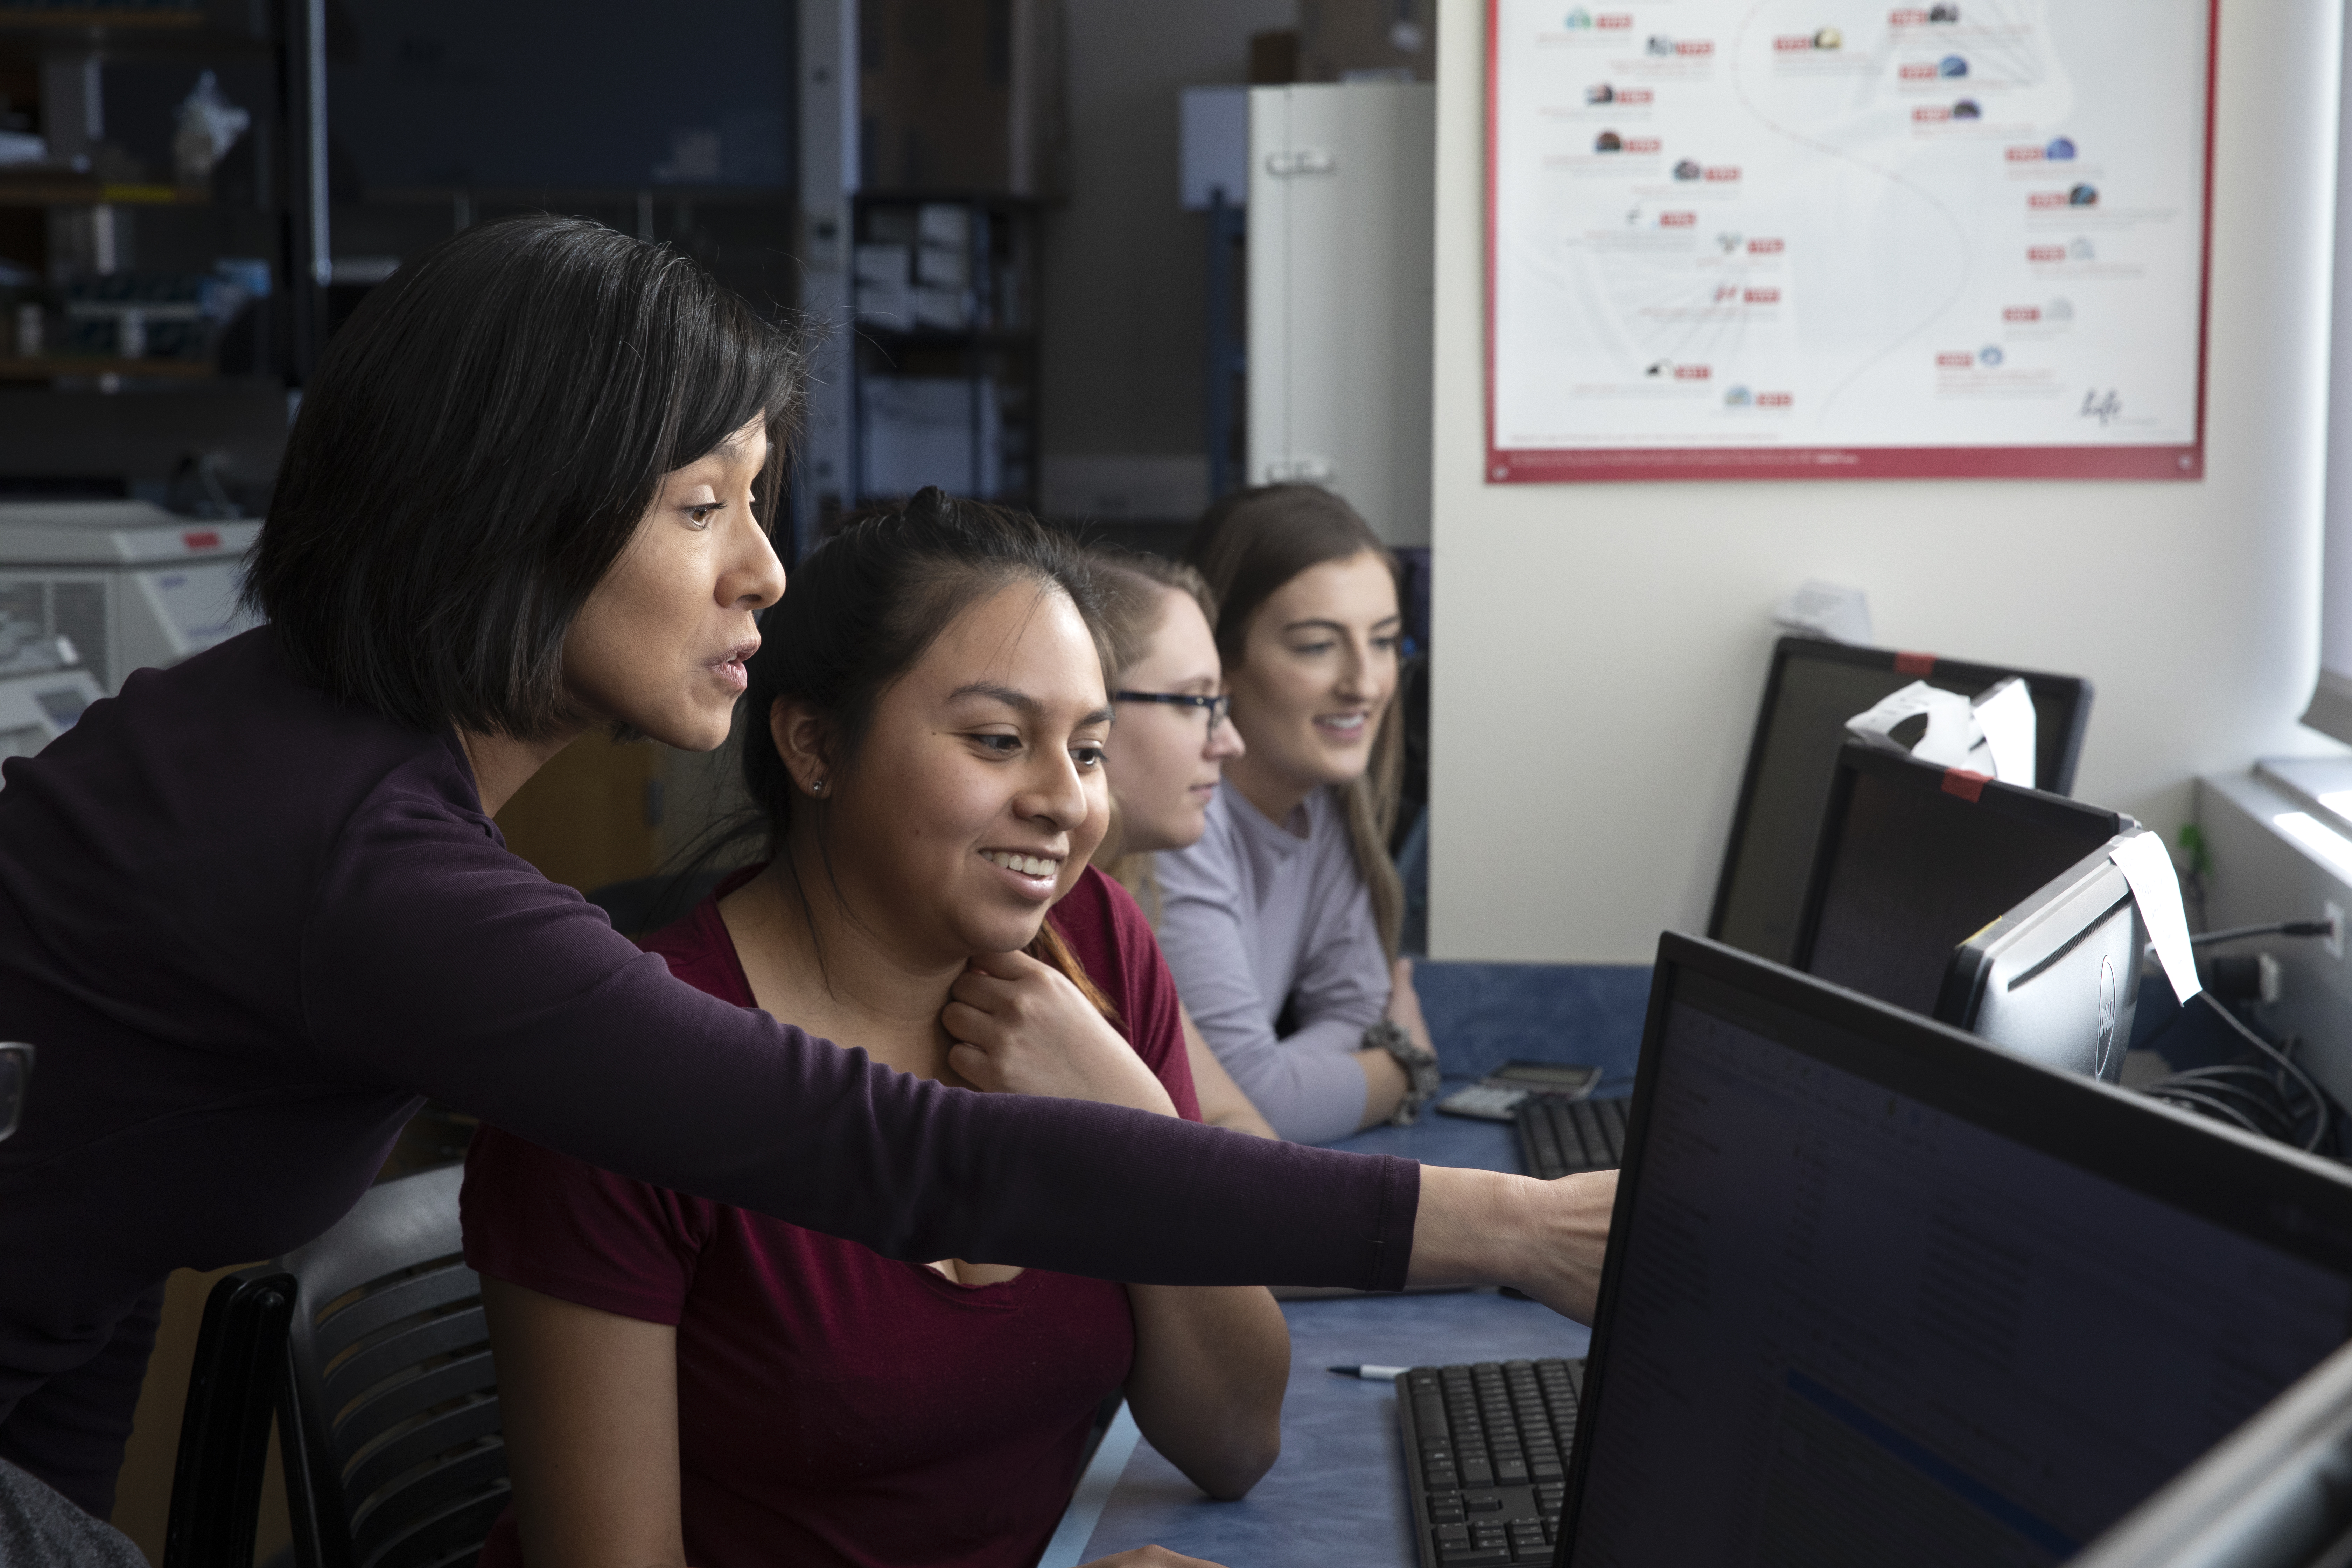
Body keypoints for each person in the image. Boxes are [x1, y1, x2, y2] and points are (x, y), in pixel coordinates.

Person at [0, 216, 1613, 1524]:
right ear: (504, 513)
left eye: (756, 503)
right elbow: (893, 1154)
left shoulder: (298, 756)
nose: (765, 568)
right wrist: (1503, 1229)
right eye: (703, 503)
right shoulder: (358, 855)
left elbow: (84, 1245)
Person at [462, 498, 1288, 1568]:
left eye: (1087, 752)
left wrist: (1130, 1122)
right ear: (813, 743)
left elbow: (1234, 1438)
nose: (1063, 802)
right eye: (999, 741)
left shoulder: (1091, 950)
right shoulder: (622, 1067)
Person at [1156, 486, 1438, 1143]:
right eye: (1317, 646)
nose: (1365, 684)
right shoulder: (1175, 830)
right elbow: (1255, 1108)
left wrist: (1291, 1075)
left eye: (1385, 642)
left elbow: (1359, 1010)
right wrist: (1401, 1067)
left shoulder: (1320, 806)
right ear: (1219, 665)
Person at [1089, 552, 1277, 1139]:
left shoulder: (1119, 911)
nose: (1231, 742)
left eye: (1220, 704)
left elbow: (1241, 1126)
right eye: (1196, 702)